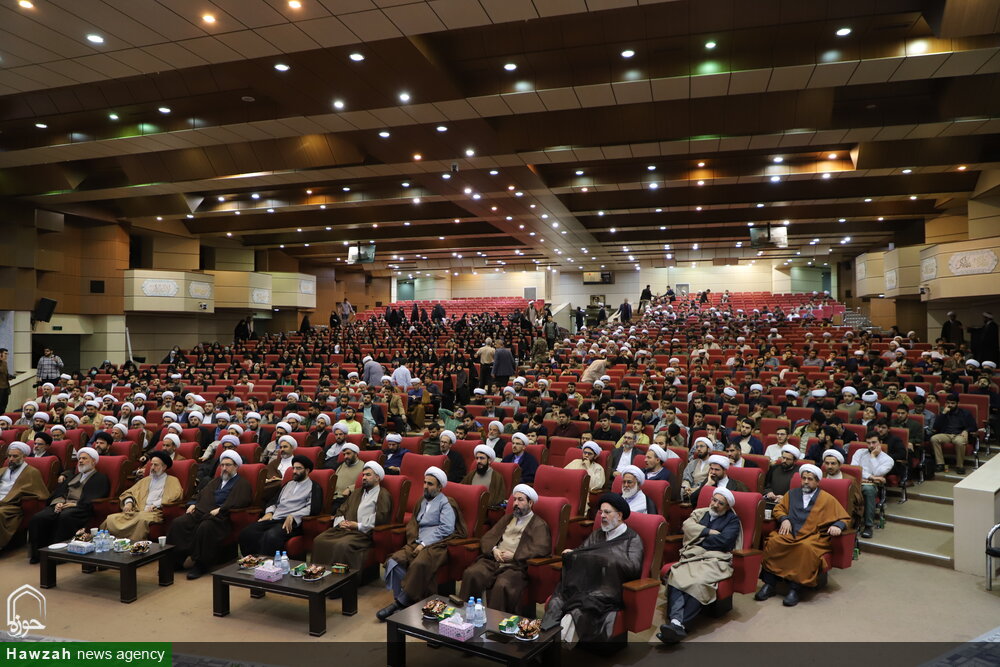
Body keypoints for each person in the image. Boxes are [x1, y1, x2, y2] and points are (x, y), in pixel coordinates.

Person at [541, 494, 644, 646]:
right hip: (587, 584)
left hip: (609, 591)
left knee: (578, 609)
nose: (602, 516)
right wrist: (573, 554)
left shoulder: (632, 539)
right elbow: (583, 552)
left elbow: (634, 568)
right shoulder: (598, 534)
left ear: (619, 515)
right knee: (557, 600)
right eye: (601, 512)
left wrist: (606, 559)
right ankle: (543, 642)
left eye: (607, 512)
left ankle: (556, 645)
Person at [377, 467, 466, 621]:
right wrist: (416, 541)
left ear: (439, 487)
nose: (425, 486)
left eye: (430, 484)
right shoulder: (422, 501)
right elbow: (414, 523)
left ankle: (399, 604)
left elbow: (447, 529)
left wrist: (424, 544)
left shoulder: (446, 503)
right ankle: (405, 598)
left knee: (420, 564)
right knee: (394, 561)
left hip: (437, 544)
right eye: (424, 483)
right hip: (417, 541)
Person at [755, 464, 849, 606]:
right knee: (774, 542)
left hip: (813, 536)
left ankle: (795, 589)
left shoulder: (827, 499)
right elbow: (779, 509)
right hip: (790, 532)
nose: (805, 481)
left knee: (805, 548)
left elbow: (844, 518)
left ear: (817, 481)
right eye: (803, 478)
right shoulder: (791, 494)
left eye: (810, 479)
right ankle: (770, 584)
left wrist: (838, 526)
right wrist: (784, 519)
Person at [658, 487, 741, 644]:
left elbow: (725, 541)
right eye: (714, 500)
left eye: (720, 503)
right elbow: (686, 526)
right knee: (676, 575)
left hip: (716, 560)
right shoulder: (701, 512)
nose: (715, 505)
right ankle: (676, 622)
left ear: (727, 507)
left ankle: (679, 625)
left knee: (699, 583)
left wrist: (697, 538)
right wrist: (708, 532)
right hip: (692, 556)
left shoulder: (732, 520)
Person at [459, 484, 552, 613]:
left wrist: (514, 555)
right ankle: (465, 615)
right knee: (472, 573)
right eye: (514, 499)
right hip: (494, 560)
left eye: (520, 500)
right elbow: (487, 537)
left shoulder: (539, 524)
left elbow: (542, 549)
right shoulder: (508, 518)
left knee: (502, 584)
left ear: (530, 503)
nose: (516, 503)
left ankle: (495, 623)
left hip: (516, 566)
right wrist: (494, 549)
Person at [167, 450, 253, 579]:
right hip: (202, 511)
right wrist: (193, 503)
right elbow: (201, 494)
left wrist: (222, 509)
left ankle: (200, 565)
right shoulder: (215, 481)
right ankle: (177, 561)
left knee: (205, 527)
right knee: (178, 523)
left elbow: (241, 500)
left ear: (236, 466)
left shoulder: (242, 483)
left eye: (228, 465)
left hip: (221, 518)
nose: (224, 468)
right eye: (222, 465)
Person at [27, 447, 110, 564]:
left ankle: (59, 555)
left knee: (65, 517)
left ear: (93, 461)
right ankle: (38, 554)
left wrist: (76, 504)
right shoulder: (73, 477)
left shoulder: (100, 478)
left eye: (84, 458)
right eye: (79, 459)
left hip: (81, 508)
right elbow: (60, 492)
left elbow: (95, 497)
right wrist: (58, 503)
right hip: (63, 504)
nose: (80, 461)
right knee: (38, 518)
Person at [312, 461, 393, 571]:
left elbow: (381, 517)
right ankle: (318, 572)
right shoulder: (357, 492)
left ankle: (340, 577)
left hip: (363, 533)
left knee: (342, 545)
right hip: (344, 529)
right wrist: (341, 522)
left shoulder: (383, 494)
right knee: (319, 540)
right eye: (363, 475)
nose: (364, 478)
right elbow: (342, 509)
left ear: (377, 478)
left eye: (368, 475)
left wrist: (357, 525)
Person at [239, 455, 322, 557]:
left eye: (298, 468)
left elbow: (313, 508)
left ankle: (268, 564)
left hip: (292, 523)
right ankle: (251, 561)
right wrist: (269, 513)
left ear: (307, 470)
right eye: (293, 468)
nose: (294, 471)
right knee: (247, 532)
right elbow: (274, 502)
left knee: (271, 536)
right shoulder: (288, 484)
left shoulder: (314, 487)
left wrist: (293, 516)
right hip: (274, 519)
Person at [101, 451, 183, 541]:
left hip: (154, 513)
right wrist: (129, 503)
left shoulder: (172, 480)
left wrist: (155, 505)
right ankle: (107, 543)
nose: (152, 468)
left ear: (164, 467)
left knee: (141, 519)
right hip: (136, 511)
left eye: (156, 465)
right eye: (151, 465)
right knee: (111, 519)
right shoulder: (146, 480)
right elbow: (129, 493)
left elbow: (174, 496)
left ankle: (134, 545)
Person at [0, 442, 49, 549]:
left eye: (15, 456)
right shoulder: (3, 471)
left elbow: (40, 494)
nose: (11, 459)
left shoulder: (32, 472)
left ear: (24, 456)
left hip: (11, 506)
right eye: (9, 456)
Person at [851, 434, 894, 538]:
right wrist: (871, 476)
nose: (871, 445)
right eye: (868, 443)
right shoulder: (859, 452)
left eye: (874, 442)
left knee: (868, 490)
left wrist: (873, 456)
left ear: (880, 443)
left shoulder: (888, 460)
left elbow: (877, 473)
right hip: (856, 482)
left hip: (872, 486)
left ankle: (868, 526)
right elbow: (854, 469)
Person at [930, 393, 976, 475]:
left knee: (959, 442)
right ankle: (940, 464)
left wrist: (966, 430)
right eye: (948, 403)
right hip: (946, 434)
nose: (950, 405)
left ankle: (960, 466)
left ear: (957, 403)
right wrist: (943, 414)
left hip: (959, 434)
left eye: (952, 403)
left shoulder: (965, 413)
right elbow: (935, 427)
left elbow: (974, 427)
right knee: (934, 438)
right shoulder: (943, 413)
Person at [0, 348, 13, 414]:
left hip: (6, 387)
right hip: (0, 388)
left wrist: (9, 376)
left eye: (7, 354)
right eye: (5, 354)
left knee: (4, 405)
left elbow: (5, 374)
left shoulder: (5, 363)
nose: (6, 356)